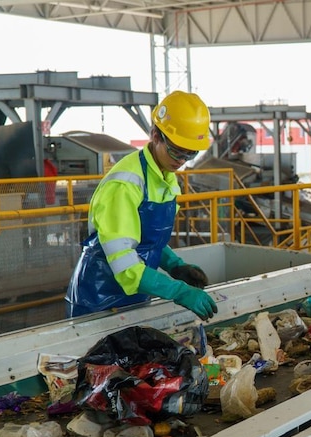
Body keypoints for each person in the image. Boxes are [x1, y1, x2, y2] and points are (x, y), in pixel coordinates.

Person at [65, 91, 218, 320]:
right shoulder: (125, 184)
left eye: (190, 154)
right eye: (177, 151)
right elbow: (125, 262)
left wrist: (175, 265)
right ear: (156, 135)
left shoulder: (164, 175)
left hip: (136, 293)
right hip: (98, 300)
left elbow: (146, 239)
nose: (181, 161)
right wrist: (178, 291)